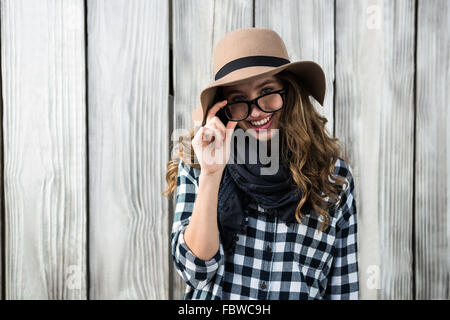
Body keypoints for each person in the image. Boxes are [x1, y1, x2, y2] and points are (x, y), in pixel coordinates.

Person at [164, 28, 359, 300]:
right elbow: (194, 271)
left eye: (266, 91)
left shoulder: (334, 176)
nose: (255, 111)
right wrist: (212, 173)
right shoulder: (199, 162)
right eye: (238, 100)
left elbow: (342, 288)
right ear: (222, 108)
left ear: (289, 92)